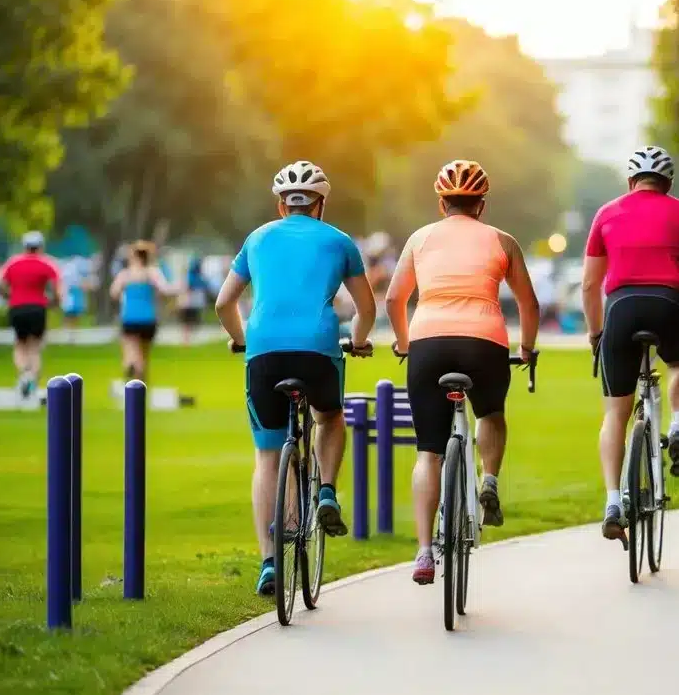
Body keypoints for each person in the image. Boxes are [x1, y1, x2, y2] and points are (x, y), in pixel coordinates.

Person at [215, 161, 376, 596]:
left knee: (267, 456)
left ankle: (269, 561)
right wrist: (358, 341)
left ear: (280, 204)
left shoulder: (258, 238)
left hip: (264, 348)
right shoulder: (339, 241)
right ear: (321, 204)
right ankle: (325, 490)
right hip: (318, 349)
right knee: (329, 418)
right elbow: (366, 309)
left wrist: (241, 339)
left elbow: (224, 302)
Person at [385, 160, 540, 585]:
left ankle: (422, 552)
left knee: (427, 451)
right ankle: (488, 479)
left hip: (428, 344)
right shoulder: (503, 241)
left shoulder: (419, 239)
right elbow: (528, 303)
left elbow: (396, 298)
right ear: (482, 206)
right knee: (490, 414)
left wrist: (403, 342)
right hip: (484, 342)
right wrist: (526, 348)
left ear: (441, 203)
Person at [581, 146, 679, 541]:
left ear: (630, 181)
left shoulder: (606, 213)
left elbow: (589, 284)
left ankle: (613, 501)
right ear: (668, 183)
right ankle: (676, 426)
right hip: (668, 304)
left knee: (615, 414)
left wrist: (595, 333)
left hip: (620, 310)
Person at [0, 231, 64, 399]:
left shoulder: (13, 263)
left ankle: (24, 373)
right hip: (37, 308)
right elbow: (57, 290)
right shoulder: (47, 264)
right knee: (35, 347)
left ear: (24, 246)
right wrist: (54, 303)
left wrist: (9, 296)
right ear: (40, 246)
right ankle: (32, 379)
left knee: (20, 344)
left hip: (17, 308)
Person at [110, 241, 174, 382]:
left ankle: (130, 364)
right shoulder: (152, 273)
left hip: (129, 317)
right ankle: (141, 384)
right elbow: (164, 290)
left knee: (130, 349)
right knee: (144, 355)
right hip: (148, 318)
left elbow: (114, 292)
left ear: (133, 256)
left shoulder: (125, 274)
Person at [177, 255, 209, 345]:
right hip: (193, 302)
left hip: (190, 302)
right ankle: (187, 339)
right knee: (189, 322)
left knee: (187, 322)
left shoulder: (191, 276)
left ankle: (186, 339)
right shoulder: (197, 276)